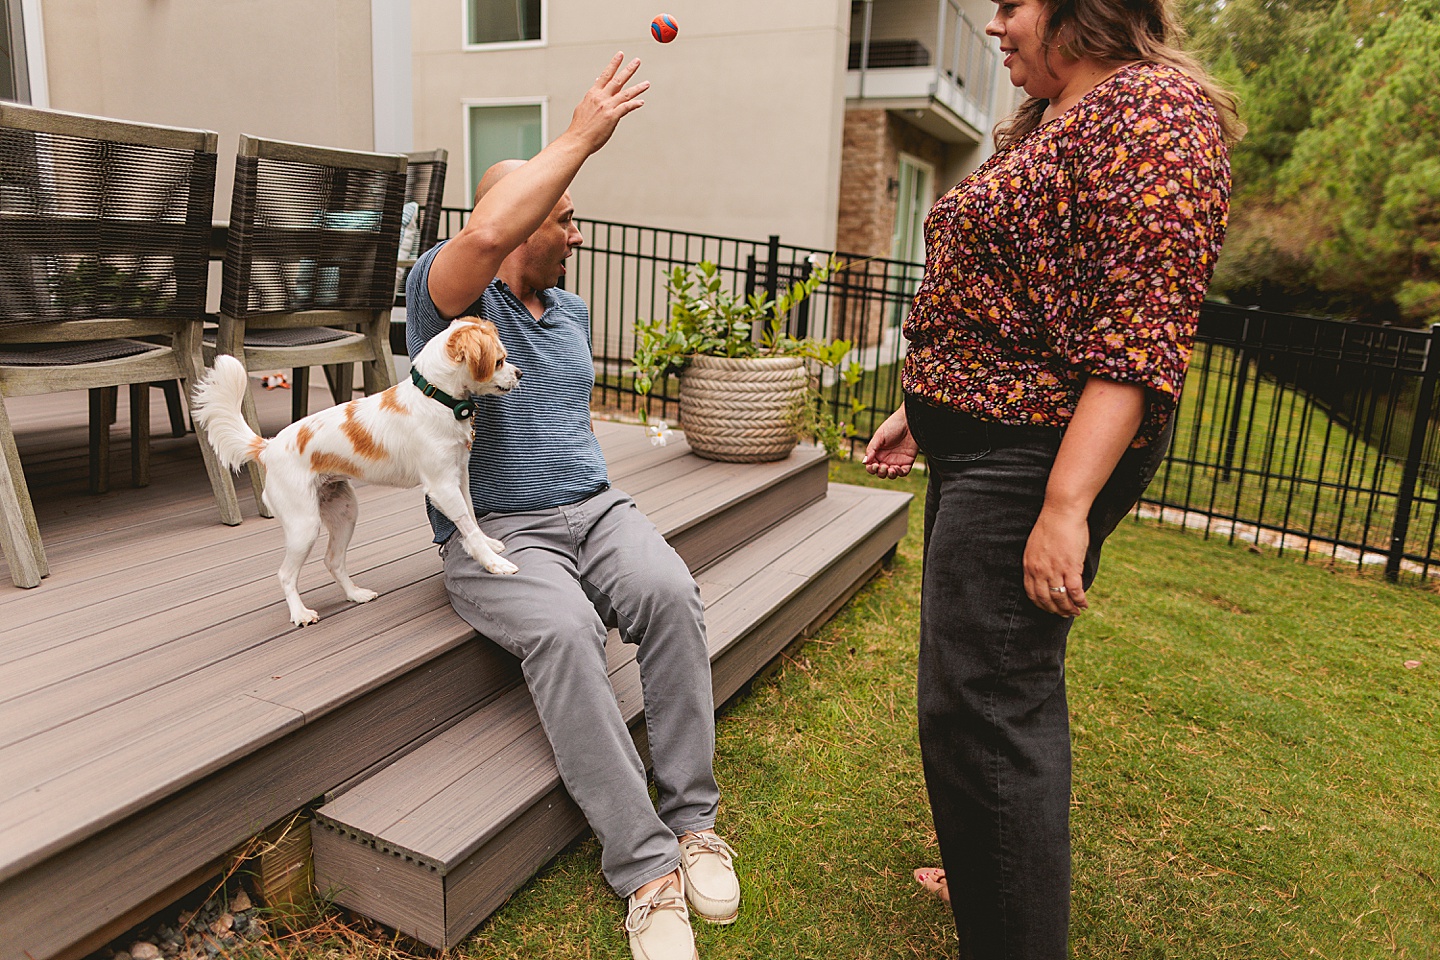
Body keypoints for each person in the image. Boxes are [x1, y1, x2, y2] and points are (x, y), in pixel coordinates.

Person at [863, 0, 1242, 956]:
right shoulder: (1050, 119)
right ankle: (996, 859)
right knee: (985, 694)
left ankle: (1012, 913)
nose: (995, 26)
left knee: (987, 708)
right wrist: (926, 400)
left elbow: (1138, 330)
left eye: (1012, 6)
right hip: (987, 437)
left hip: (1031, 454)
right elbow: (1014, 293)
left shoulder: (1154, 113)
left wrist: (1065, 506)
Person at [406, 54, 739, 960]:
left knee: (669, 593)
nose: (578, 236)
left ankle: (694, 820)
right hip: (501, 537)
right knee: (561, 632)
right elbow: (479, 242)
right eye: (565, 220)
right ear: (517, 226)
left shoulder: (574, 310)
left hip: (597, 509)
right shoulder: (450, 305)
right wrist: (581, 136)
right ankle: (646, 870)